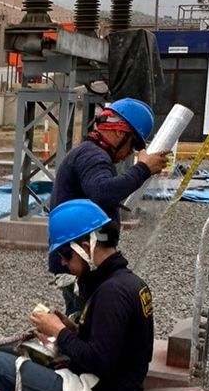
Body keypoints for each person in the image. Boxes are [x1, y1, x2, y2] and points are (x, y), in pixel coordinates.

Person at [0, 198, 155, 391]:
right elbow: (114, 347)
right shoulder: (126, 283)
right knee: (3, 352)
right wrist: (74, 330)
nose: (63, 263)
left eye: (65, 255)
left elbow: (100, 361)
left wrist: (60, 332)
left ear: (86, 247)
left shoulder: (112, 293)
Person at [50, 98, 167, 308]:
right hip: (80, 258)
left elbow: (98, 195)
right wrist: (143, 169)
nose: (130, 153)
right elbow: (103, 192)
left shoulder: (87, 152)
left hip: (78, 256)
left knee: (85, 318)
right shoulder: (93, 156)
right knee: (86, 320)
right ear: (121, 133)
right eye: (133, 144)